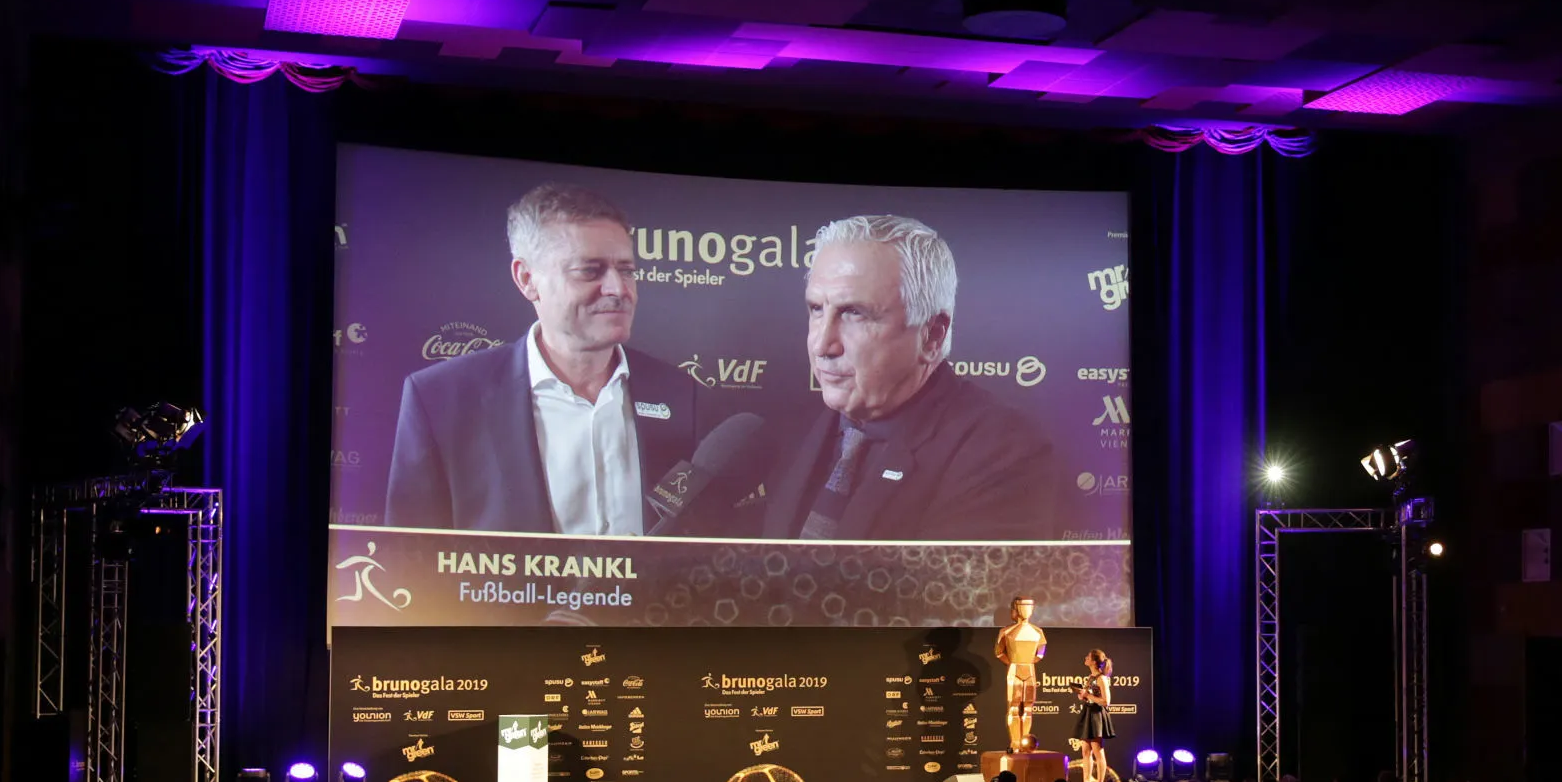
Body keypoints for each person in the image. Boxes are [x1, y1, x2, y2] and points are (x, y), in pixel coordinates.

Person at [384, 183, 705, 534]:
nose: (618, 289)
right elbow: (410, 560)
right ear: (527, 279)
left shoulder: (681, 394)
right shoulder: (441, 400)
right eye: (590, 270)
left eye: (626, 270)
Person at [756, 215, 1059, 541]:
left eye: (854, 313)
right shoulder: (790, 429)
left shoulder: (1001, 453)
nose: (821, 344)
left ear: (931, 336)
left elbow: (958, 592)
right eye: (816, 309)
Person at [995, 595, 1047, 752]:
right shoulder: (1007, 631)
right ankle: (1016, 742)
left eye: (1028, 606)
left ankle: (1025, 741)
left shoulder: (1038, 631)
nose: (1025, 610)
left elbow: (1040, 653)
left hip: (1028, 670)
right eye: (1022, 606)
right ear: (1015, 610)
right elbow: (1000, 652)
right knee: (1015, 707)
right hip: (1016, 670)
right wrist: (1014, 663)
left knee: (1028, 707)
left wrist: (1021, 662)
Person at [1073, 647, 1117, 782]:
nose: (1085, 658)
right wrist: (1082, 695)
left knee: (1098, 750)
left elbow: (1106, 701)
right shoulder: (1090, 677)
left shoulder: (1102, 678)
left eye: (1088, 657)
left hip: (1097, 715)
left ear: (1093, 661)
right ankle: (1086, 781)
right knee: (1085, 750)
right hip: (1088, 712)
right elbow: (1089, 696)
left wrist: (1088, 696)